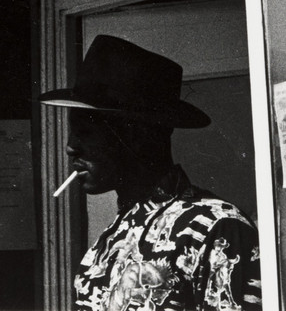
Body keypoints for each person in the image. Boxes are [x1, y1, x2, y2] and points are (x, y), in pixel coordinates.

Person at [41, 34, 261, 311]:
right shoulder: (109, 240)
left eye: (86, 132)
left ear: (138, 134)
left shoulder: (214, 227)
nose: (71, 146)